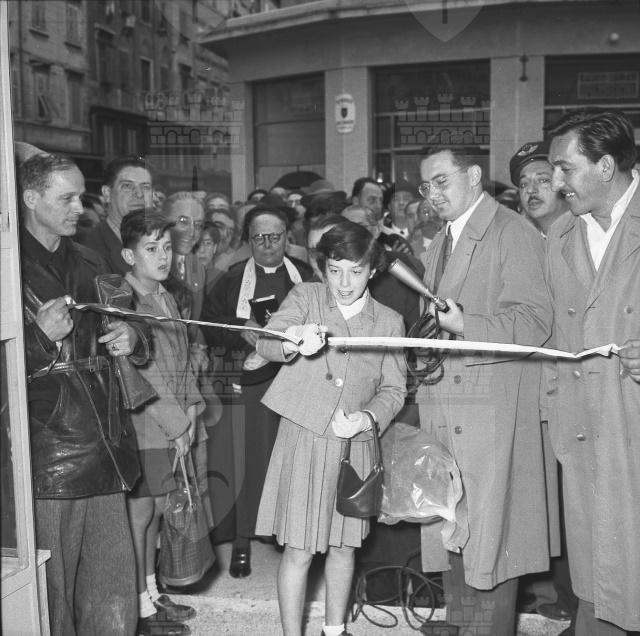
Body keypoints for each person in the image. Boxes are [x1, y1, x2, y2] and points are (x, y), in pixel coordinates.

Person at [415, 146, 553, 635]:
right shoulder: (442, 240)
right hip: (449, 405)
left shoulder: (512, 232)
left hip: (490, 411)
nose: (432, 194)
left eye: (441, 181)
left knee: (491, 542)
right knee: (457, 531)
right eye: (426, 186)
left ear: (474, 175)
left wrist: (466, 324)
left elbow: (535, 321)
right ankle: (463, 625)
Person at [254, 221, 407, 636]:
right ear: (323, 268)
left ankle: (334, 630)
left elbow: (394, 389)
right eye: (335, 270)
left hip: (353, 444)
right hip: (303, 436)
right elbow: (265, 340)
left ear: (372, 270)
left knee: (343, 547)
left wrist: (367, 418)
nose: (344, 282)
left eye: (356, 271)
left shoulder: (389, 321)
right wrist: (291, 340)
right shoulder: (306, 297)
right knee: (299, 550)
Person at [18, 153, 146, 636]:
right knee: (51, 595)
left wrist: (133, 338)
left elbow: (134, 327)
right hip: (47, 451)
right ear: (31, 198)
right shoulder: (8, 269)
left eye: (80, 196)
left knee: (112, 588)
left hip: (106, 443)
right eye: (66, 198)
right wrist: (38, 339)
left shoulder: (92, 260)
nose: (79, 207)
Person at [546, 108, 640, 635]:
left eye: (565, 168)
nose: (556, 182)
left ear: (605, 166)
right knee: (597, 582)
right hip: (584, 432)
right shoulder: (561, 235)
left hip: (633, 428)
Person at [201, 202, 313, 576]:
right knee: (247, 461)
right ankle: (242, 539)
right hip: (248, 384)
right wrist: (239, 329)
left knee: (288, 461)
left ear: (287, 238)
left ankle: (285, 534)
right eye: (259, 237)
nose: (267, 244)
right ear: (248, 240)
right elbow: (207, 326)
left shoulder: (306, 277)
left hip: (295, 381)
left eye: (274, 237)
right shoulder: (231, 280)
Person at [120, 209, 203, 636]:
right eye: (151, 249)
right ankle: (139, 605)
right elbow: (142, 373)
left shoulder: (166, 296)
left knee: (156, 511)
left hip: (172, 424)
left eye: (167, 247)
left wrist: (191, 410)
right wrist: (177, 425)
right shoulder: (126, 301)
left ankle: (152, 591)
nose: (163, 256)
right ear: (129, 256)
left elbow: (183, 359)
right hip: (145, 425)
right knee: (141, 513)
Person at [510, 139, 576, 628]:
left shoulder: (579, 235)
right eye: (523, 183)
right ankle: (549, 593)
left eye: (542, 179)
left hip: (571, 388)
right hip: (529, 390)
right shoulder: (518, 239)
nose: (532, 190)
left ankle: (577, 601)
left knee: (574, 499)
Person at [78, 155, 154, 274]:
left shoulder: (159, 245)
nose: (139, 194)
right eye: (128, 186)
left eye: (145, 187)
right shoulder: (90, 250)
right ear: (107, 194)